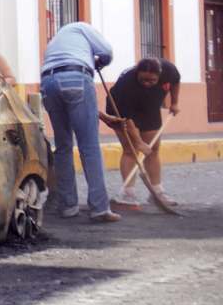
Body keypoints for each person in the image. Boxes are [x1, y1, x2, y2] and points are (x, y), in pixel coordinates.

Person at [41, 21, 119, 222]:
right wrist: (100, 62)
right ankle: (100, 208)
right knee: (89, 146)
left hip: (48, 83)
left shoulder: (56, 40)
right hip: (76, 78)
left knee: (63, 145)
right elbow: (107, 51)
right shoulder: (83, 28)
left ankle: (67, 206)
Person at [100, 57, 181, 207]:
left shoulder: (169, 70)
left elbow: (175, 82)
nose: (147, 83)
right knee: (131, 150)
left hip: (150, 107)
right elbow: (127, 120)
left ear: (160, 74)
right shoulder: (127, 84)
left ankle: (157, 191)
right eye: (143, 80)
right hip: (120, 111)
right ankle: (127, 193)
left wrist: (174, 103)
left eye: (152, 80)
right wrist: (138, 142)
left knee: (153, 149)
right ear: (137, 73)